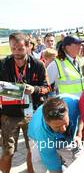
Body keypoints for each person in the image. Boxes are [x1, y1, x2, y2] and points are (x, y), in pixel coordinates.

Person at [0, 32, 50, 173]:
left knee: (32, 150)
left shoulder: (38, 65)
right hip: (9, 115)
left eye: (20, 49)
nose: (16, 52)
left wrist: (34, 89)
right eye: (13, 48)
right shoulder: (3, 64)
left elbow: (47, 88)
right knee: (7, 152)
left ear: (28, 46)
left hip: (32, 115)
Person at [28, 95, 82, 172]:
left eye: (65, 123)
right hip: (39, 137)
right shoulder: (42, 135)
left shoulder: (75, 103)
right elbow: (54, 167)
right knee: (40, 164)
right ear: (47, 123)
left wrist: (78, 134)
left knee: (77, 165)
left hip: (63, 139)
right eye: (58, 126)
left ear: (68, 112)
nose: (63, 129)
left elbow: (82, 116)